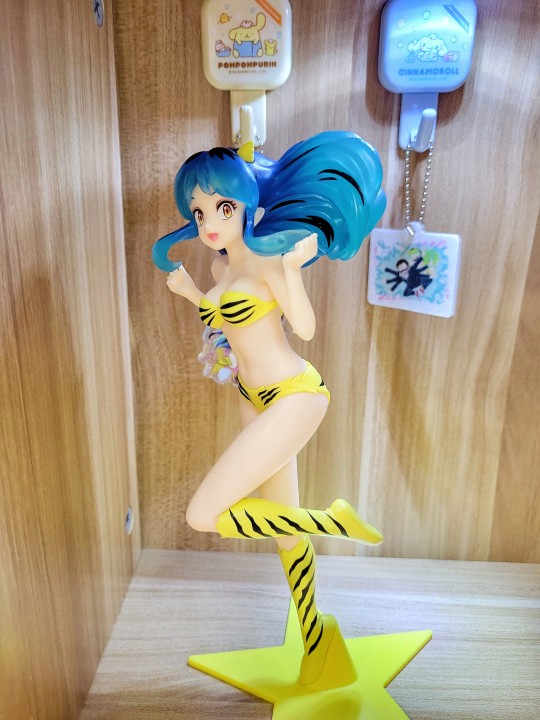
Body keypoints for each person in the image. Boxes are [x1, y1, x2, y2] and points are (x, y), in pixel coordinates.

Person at [153, 131, 386, 688]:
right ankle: (317, 642)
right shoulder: (220, 270)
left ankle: (332, 521)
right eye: (199, 211)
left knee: (204, 516)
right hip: (251, 398)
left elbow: (303, 328)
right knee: (285, 535)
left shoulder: (268, 264)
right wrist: (192, 295)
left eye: (222, 207)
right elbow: (227, 321)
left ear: (246, 205)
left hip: (294, 395)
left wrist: (293, 273)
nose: (209, 222)